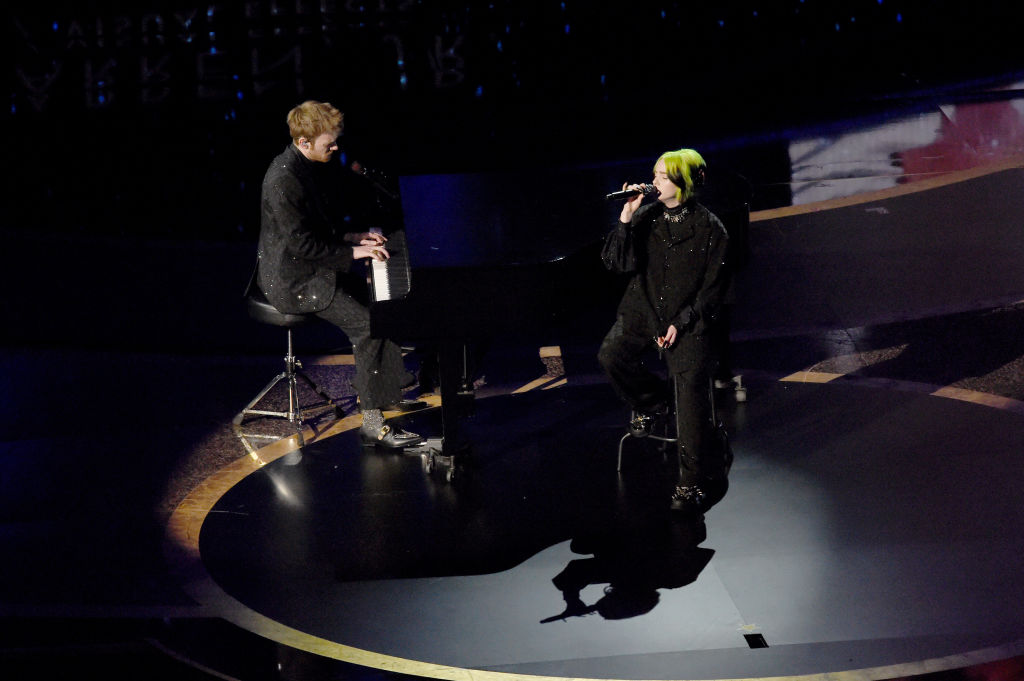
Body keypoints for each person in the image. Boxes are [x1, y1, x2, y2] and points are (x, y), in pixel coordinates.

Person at [257, 100, 422, 448]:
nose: (335, 147)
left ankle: (384, 391)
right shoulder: (283, 180)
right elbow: (303, 246)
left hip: (312, 265)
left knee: (382, 302)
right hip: (294, 280)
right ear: (304, 143)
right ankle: (373, 422)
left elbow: (316, 227)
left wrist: (351, 237)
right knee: (368, 326)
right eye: (328, 143)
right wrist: (353, 252)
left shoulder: (305, 166)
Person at [597, 148, 731, 514]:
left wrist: (682, 321)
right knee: (611, 354)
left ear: (684, 184)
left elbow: (714, 290)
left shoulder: (710, 228)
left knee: (690, 392)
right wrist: (625, 219)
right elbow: (616, 263)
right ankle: (652, 403)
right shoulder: (646, 216)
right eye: (654, 174)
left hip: (689, 319)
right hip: (644, 308)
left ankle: (691, 481)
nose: (654, 181)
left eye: (663, 176)